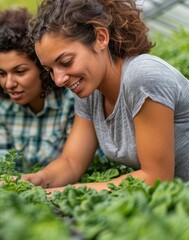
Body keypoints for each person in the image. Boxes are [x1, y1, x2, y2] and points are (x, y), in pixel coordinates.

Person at [21, 0, 189, 192]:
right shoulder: (90, 92)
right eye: (50, 69)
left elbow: (156, 177)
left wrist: (65, 192)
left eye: (66, 62)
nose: (59, 80)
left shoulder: (143, 76)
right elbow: (71, 162)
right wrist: (37, 180)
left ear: (101, 38)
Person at [0, 7, 75, 173]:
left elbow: (76, 162)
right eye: (2, 73)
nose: (9, 84)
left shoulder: (69, 99)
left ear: (43, 68)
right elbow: (4, 159)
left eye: (20, 71)